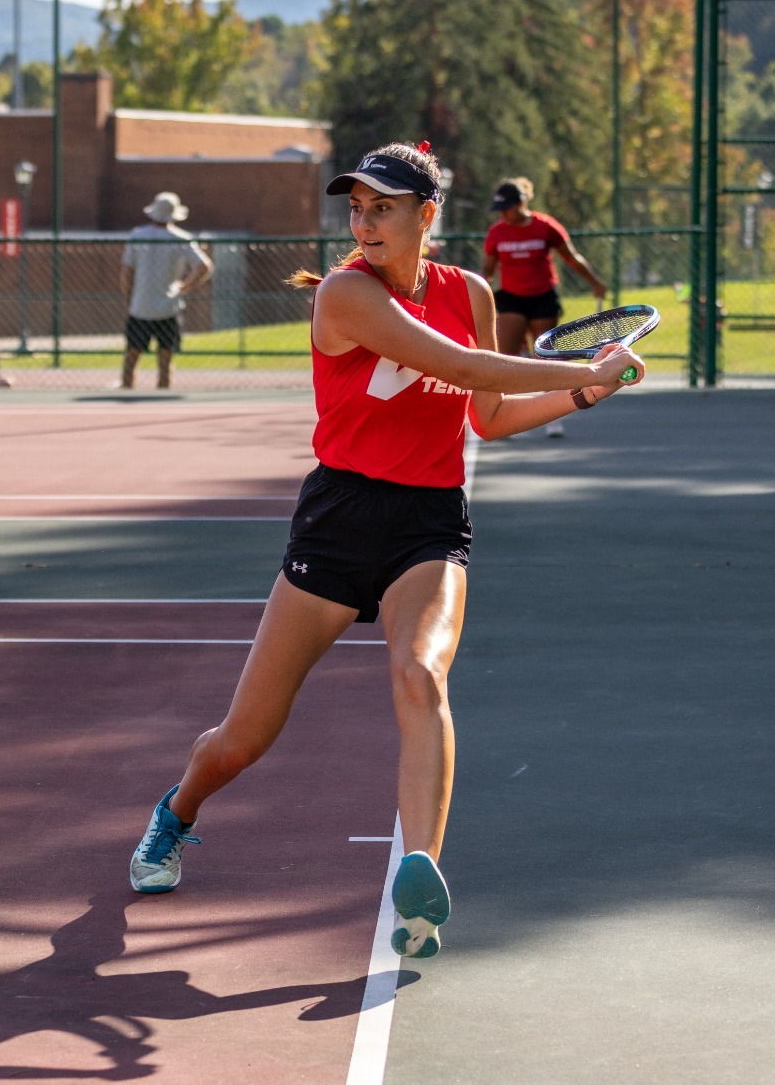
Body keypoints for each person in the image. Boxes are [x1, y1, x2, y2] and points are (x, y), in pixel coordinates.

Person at [125, 142, 642, 963]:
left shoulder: (470, 292)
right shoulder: (346, 293)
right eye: (357, 208)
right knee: (244, 739)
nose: (364, 223)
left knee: (421, 674)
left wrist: (588, 389)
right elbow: (456, 363)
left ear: (426, 215)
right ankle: (177, 810)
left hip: (428, 521)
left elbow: (487, 415)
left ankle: (419, 874)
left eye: (384, 208)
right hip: (339, 519)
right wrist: (584, 362)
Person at [480, 177, 609, 438]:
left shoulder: (545, 226)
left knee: (547, 358)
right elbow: (487, 271)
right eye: (500, 209)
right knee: (507, 358)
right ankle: (505, 417)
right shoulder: (497, 233)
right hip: (511, 298)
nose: (503, 214)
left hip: (542, 297)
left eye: (507, 208)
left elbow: (571, 257)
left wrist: (595, 282)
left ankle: (553, 417)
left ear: (521, 203)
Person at [120, 192, 213, 390]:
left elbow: (127, 273)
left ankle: (127, 389)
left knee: (131, 357)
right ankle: (162, 396)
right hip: (168, 306)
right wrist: (185, 286)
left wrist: (129, 298)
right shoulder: (180, 238)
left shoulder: (137, 235)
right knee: (165, 360)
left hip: (141, 306)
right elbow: (204, 266)